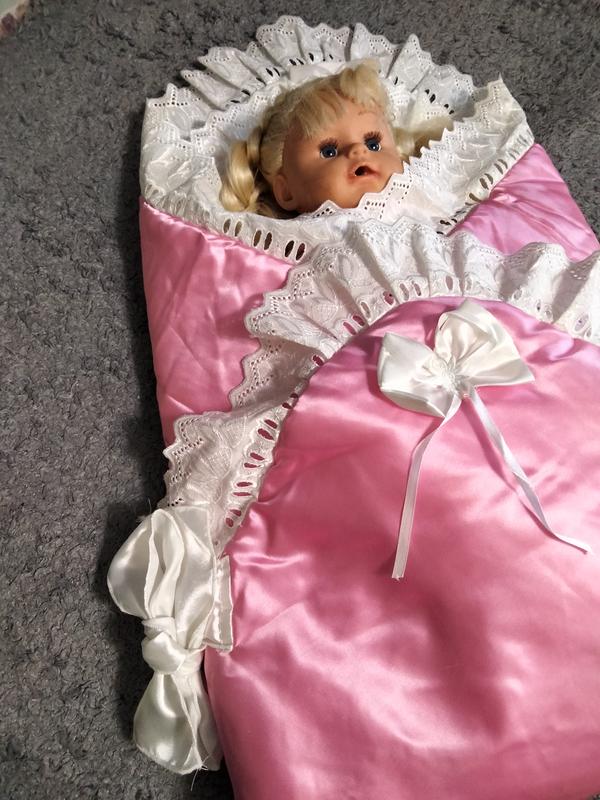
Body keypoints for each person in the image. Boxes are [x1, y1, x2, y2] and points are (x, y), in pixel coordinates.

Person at [220, 61, 452, 217]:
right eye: (329, 151)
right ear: (287, 192)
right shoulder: (291, 246)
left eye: (373, 144)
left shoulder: (435, 203)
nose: (358, 150)